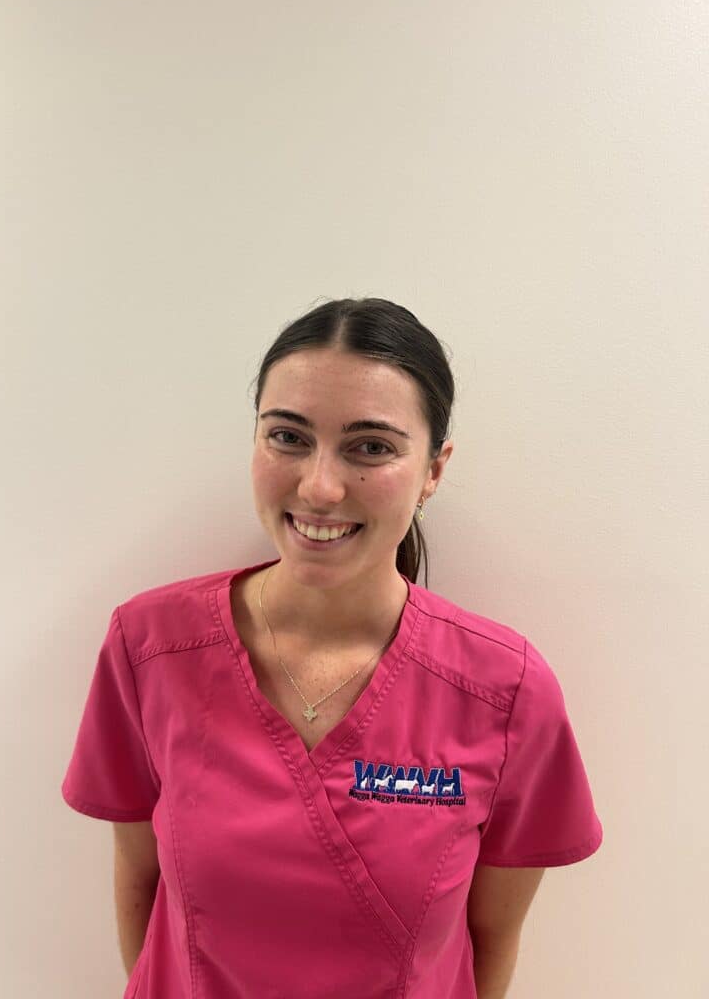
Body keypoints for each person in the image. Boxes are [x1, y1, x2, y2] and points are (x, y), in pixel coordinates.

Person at [61, 297, 603, 999]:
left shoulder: (505, 690)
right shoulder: (152, 646)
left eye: (370, 446)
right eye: (287, 437)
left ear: (434, 469)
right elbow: (140, 879)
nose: (319, 486)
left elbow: (492, 939)